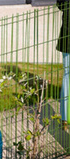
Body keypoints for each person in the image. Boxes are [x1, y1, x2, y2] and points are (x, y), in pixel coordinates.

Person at [56, 0, 70, 129]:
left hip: (67, 39)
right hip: (67, 39)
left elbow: (60, 4)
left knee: (67, 76)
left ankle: (65, 118)